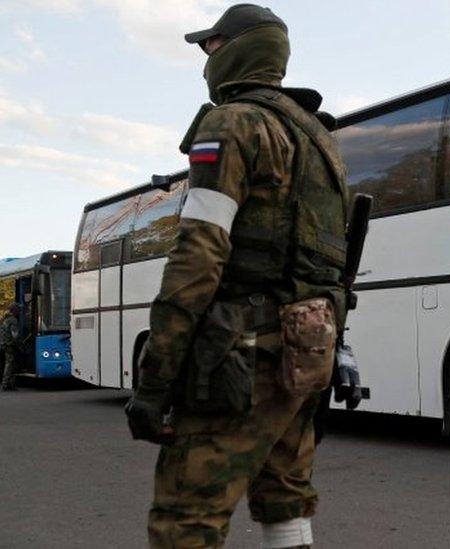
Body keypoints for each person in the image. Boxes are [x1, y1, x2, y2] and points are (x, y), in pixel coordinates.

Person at [123, 4, 351, 547]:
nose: (208, 60)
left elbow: (198, 255)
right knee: (285, 501)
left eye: (212, 46)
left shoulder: (229, 124)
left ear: (241, 50)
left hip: (239, 357)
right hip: (305, 351)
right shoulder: (322, 142)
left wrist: (155, 379)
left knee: (187, 515)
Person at [0, 303, 21, 392]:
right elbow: (14, 335)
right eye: (18, 310)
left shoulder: (5, 319)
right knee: (9, 364)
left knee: (10, 363)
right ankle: (5, 384)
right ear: (14, 310)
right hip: (10, 345)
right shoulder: (13, 320)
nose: (19, 311)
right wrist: (19, 345)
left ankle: (9, 384)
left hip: (4, 344)